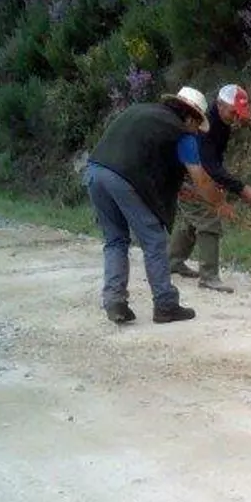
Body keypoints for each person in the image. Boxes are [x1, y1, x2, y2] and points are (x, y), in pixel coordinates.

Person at [84, 86, 231, 325]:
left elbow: (148, 159)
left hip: (95, 172)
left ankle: (115, 301)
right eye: (197, 124)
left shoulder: (141, 112)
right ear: (190, 117)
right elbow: (202, 180)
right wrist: (219, 203)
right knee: (154, 239)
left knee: (115, 241)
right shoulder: (182, 133)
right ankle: (165, 304)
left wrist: (179, 187)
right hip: (123, 178)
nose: (197, 131)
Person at [169, 84, 251, 293]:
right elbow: (209, 166)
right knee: (209, 218)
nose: (236, 118)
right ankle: (209, 276)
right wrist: (241, 189)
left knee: (191, 218)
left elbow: (215, 161)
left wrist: (222, 183)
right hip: (188, 174)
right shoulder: (206, 126)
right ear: (220, 105)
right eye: (233, 113)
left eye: (239, 114)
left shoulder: (222, 122)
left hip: (195, 172)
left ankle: (173, 261)